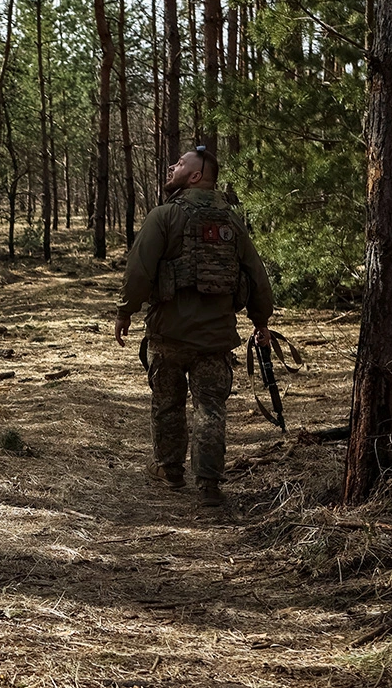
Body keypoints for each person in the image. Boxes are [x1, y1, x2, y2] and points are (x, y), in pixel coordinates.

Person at [114, 146, 274, 507]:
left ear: (196, 176)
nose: (172, 165)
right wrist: (261, 321)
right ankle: (209, 485)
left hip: (168, 335)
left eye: (180, 163)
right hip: (215, 339)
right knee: (210, 409)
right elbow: (256, 276)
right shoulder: (232, 221)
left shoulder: (164, 216)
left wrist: (125, 311)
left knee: (168, 403)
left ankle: (170, 471)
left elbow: (138, 271)